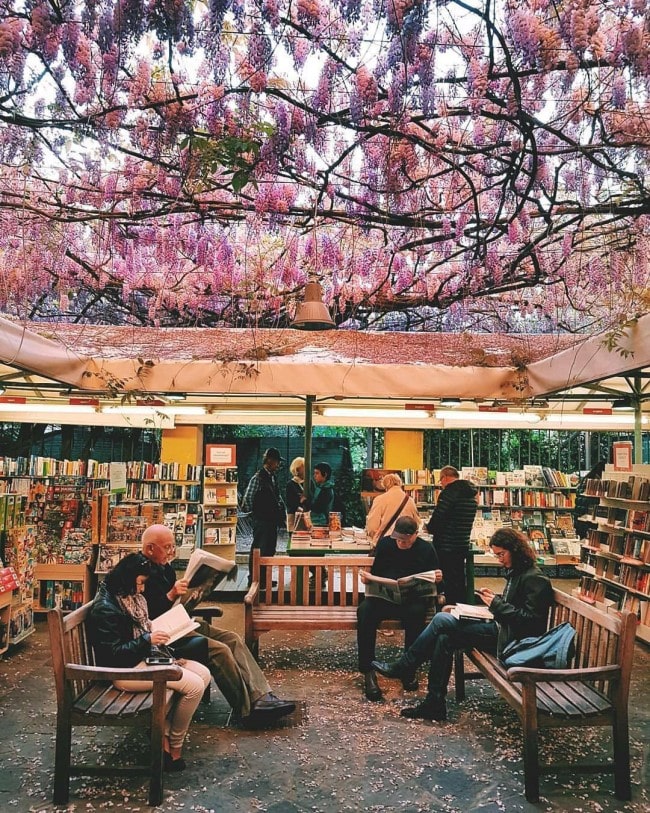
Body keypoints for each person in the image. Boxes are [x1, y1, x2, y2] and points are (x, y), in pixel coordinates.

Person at [372, 527, 553, 721]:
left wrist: (496, 603)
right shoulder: (517, 571)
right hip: (501, 629)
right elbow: (514, 608)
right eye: (497, 555)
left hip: (511, 640)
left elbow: (531, 623)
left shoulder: (535, 578)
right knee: (444, 637)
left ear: (515, 550)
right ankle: (434, 703)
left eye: (501, 554)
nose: (499, 560)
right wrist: (492, 602)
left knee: (441, 620)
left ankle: (405, 666)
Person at [140, 524, 295, 726]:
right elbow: (144, 615)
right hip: (162, 635)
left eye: (172, 547)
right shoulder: (139, 572)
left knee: (232, 638)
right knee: (219, 651)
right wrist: (171, 595)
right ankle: (246, 710)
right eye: (166, 547)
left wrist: (194, 595)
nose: (171, 553)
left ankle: (262, 696)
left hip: (180, 623)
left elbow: (175, 605)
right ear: (150, 548)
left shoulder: (164, 567)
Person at [87, 552, 211, 771]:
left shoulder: (129, 598)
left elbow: (141, 629)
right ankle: (174, 746)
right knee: (193, 686)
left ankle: (163, 738)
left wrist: (161, 648)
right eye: (141, 583)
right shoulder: (106, 608)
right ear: (128, 579)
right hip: (124, 672)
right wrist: (147, 640)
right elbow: (112, 655)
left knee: (203, 674)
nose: (142, 589)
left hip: (143, 658)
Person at [358, 516, 442, 702]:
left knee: (416, 613)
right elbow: (377, 572)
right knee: (365, 611)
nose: (401, 543)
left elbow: (435, 579)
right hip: (385, 599)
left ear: (415, 535)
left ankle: (408, 667)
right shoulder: (386, 544)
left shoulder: (426, 549)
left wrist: (437, 578)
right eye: (398, 539)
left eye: (405, 540)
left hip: (412, 600)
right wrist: (368, 579)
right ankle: (368, 670)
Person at [426, 465, 478, 605]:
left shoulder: (449, 493)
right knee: (459, 579)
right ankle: (460, 609)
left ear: (446, 477)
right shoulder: (471, 495)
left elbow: (439, 518)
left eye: (441, 480)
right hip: (462, 543)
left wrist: (428, 528)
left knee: (446, 580)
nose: (441, 484)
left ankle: (448, 609)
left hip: (445, 545)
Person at [242, 447, 286, 581]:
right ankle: (254, 578)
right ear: (270, 461)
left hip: (270, 520)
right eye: (277, 462)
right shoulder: (258, 478)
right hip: (262, 520)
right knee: (259, 549)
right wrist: (255, 514)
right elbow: (248, 498)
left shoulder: (272, 477)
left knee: (269, 549)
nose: (278, 465)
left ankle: (264, 578)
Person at [365, 473, 421, 546]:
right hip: (405, 541)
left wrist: (374, 537)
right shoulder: (410, 500)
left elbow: (372, 526)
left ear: (385, 486)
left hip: (385, 541)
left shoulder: (379, 499)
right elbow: (416, 523)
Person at [574, 460, 606, 539]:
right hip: (589, 520)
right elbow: (594, 503)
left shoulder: (584, 481)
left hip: (579, 518)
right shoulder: (595, 485)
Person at [285, 456, 309, 532]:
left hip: (307, 516)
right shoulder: (290, 484)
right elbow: (289, 502)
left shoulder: (309, 482)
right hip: (294, 516)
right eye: (303, 467)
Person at [307, 461, 335, 526]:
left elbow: (318, 509)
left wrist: (305, 501)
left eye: (317, 473)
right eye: (314, 473)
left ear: (325, 475)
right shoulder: (320, 487)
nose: (314, 476)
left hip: (321, 523)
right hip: (316, 521)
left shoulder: (327, 490)